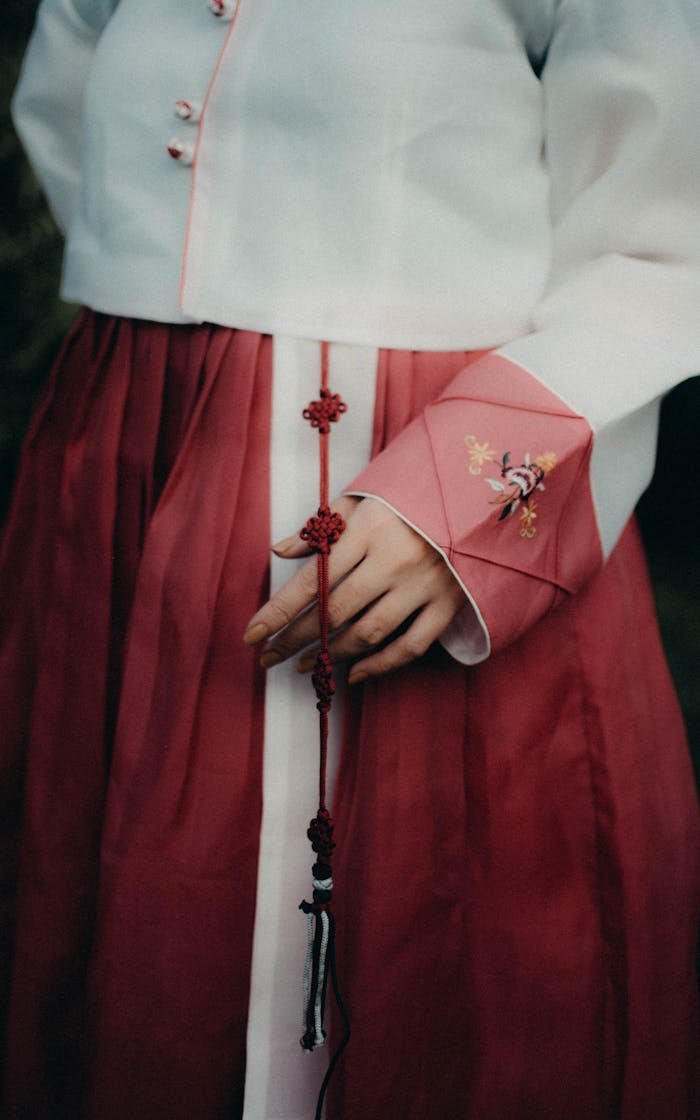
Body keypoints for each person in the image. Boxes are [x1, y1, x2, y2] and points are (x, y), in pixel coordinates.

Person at [2, 1, 699, 1117]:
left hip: (438, 511)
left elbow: (664, 238)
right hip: (132, 470)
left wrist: (461, 500)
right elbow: (78, 113)